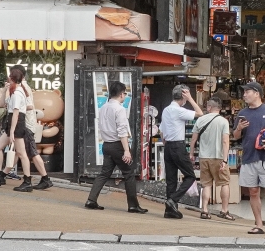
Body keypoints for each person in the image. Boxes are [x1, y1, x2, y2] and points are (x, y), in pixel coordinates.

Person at [231, 82, 265, 236]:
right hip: (249, 157)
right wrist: (239, 129)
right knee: (253, 192)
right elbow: (235, 136)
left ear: (257, 93)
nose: (244, 95)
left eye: (247, 92)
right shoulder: (242, 113)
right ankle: (259, 225)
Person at [85, 80, 147, 213]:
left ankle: (91, 199)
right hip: (118, 145)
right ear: (121, 95)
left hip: (106, 144)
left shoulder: (103, 108)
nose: (125, 96)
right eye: (125, 93)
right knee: (129, 174)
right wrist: (126, 150)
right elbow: (122, 131)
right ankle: (133, 205)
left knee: (104, 173)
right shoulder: (119, 109)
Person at [160, 84, 202, 219]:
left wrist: (166, 141)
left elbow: (161, 130)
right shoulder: (178, 110)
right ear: (183, 97)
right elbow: (200, 114)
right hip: (178, 146)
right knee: (190, 176)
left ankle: (169, 210)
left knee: (171, 180)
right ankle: (173, 200)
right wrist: (190, 99)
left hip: (168, 146)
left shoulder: (166, 110)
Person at [190, 97, 235, 220]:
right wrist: (225, 160)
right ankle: (224, 211)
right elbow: (225, 141)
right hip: (218, 157)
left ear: (209, 107)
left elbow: (193, 140)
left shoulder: (200, 120)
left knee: (206, 185)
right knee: (224, 183)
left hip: (204, 157)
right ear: (219, 109)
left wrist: (191, 154)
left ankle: (204, 210)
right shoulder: (223, 122)